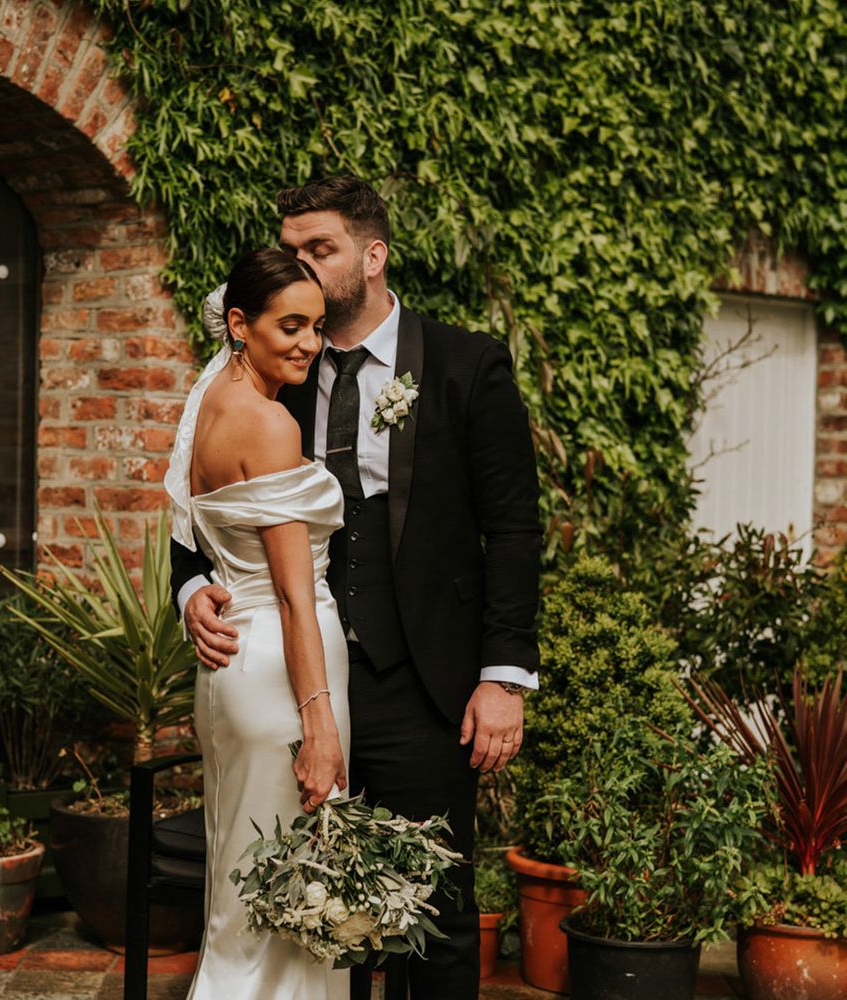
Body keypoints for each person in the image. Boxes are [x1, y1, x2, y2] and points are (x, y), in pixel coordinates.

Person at [173, 176, 541, 1000]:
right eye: (289, 248)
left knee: (434, 921)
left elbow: (513, 528)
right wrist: (193, 584)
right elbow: (197, 502)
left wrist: (502, 675)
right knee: (302, 913)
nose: (298, 263)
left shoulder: (464, 365)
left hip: (425, 683)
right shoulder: (274, 362)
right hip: (298, 682)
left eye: (319, 249)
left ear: (372, 257)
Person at [164, 247, 351, 999]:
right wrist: (322, 725)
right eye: (291, 325)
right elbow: (294, 597)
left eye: (316, 325)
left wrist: (194, 589)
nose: (309, 341)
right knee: (290, 905)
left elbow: (185, 513)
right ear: (239, 324)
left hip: (234, 670)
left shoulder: (210, 399)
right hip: (284, 671)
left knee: (243, 897)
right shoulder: (270, 425)